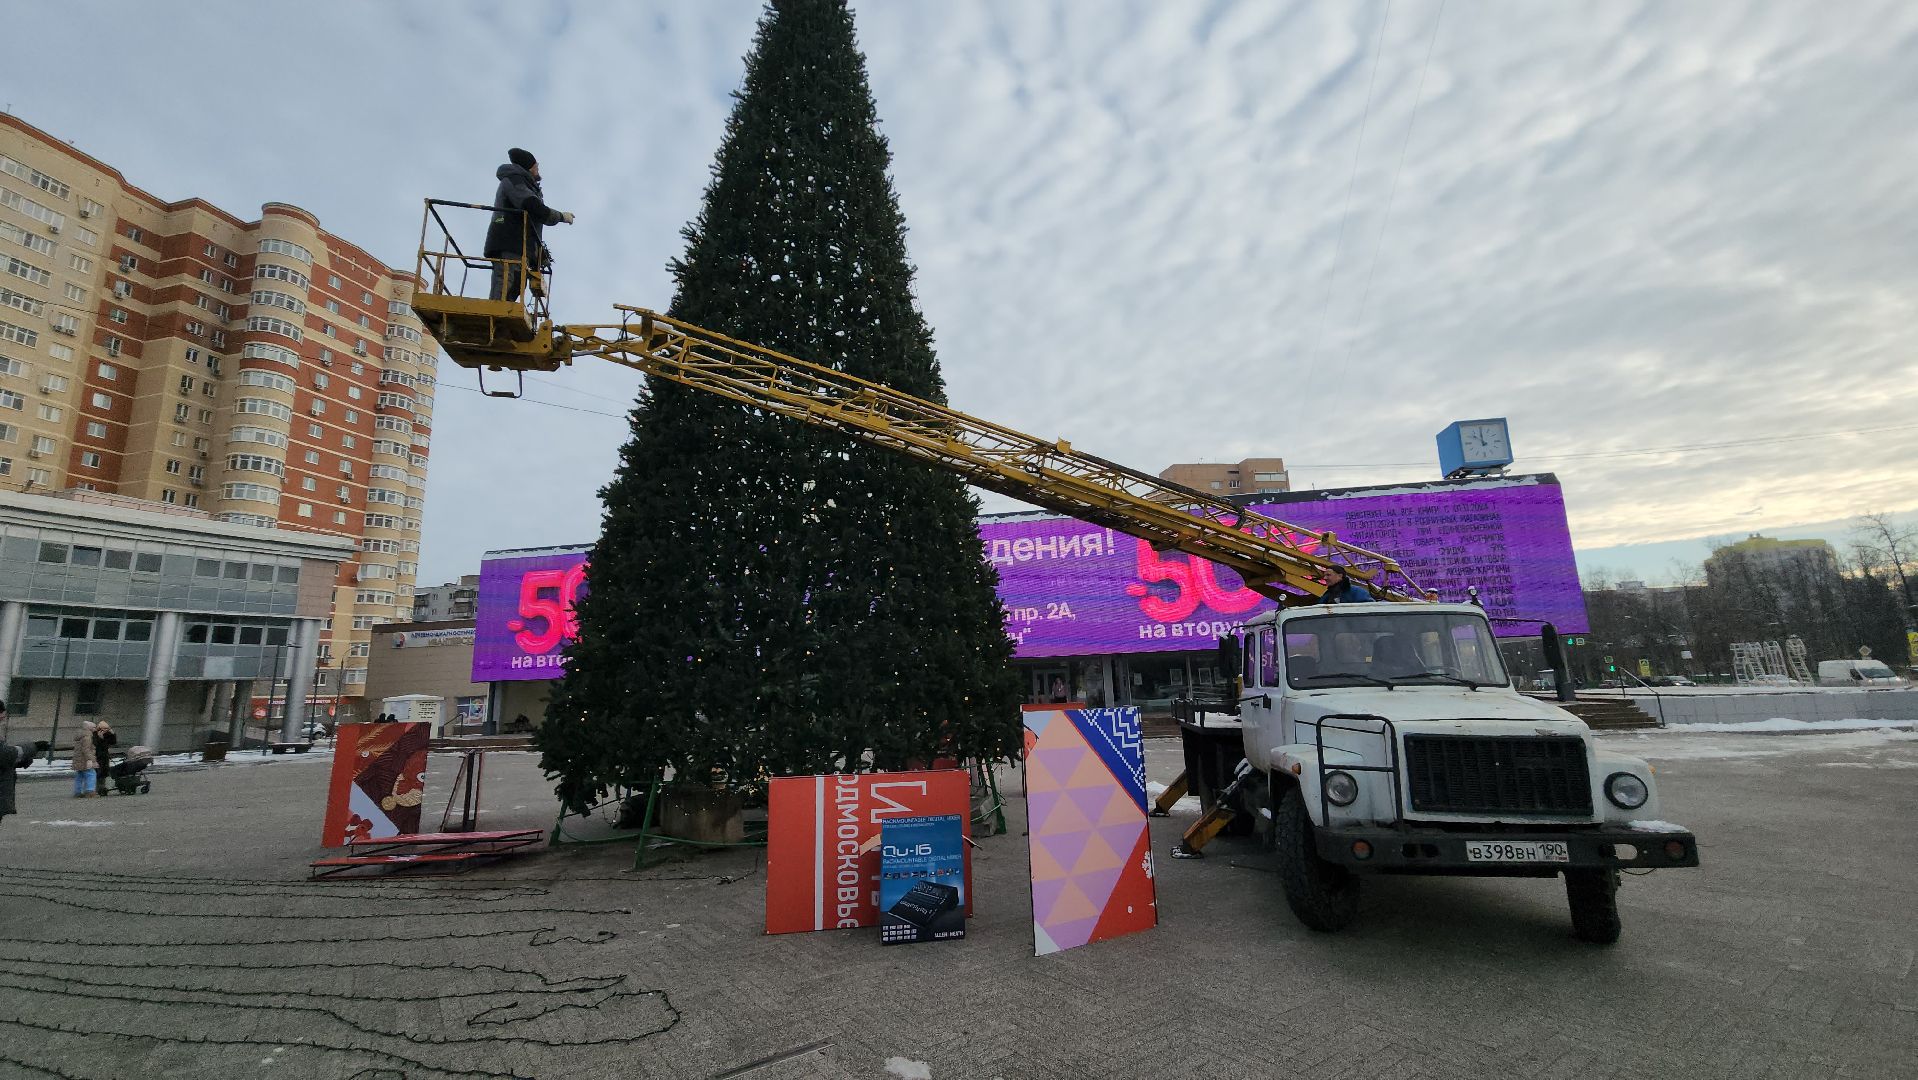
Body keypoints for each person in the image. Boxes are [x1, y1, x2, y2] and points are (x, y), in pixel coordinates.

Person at [484, 148, 574, 303]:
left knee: (515, 289)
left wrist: (539, 254)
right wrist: (560, 216)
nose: (538, 168)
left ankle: (502, 323)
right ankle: (494, 317)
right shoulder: (514, 180)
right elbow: (532, 206)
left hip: (520, 248)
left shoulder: (526, 184)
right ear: (528, 167)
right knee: (504, 287)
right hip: (508, 244)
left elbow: (531, 224)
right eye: (536, 166)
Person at [71, 720, 98, 799]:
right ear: (89, 728)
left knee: (79, 775)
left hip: (78, 759)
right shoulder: (87, 737)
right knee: (91, 774)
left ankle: (77, 792)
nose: (95, 729)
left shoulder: (80, 735)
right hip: (84, 759)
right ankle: (90, 791)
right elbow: (86, 750)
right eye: (93, 727)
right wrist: (91, 760)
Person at [92, 720, 117, 796]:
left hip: (105, 755)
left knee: (104, 771)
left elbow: (113, 742)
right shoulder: (95, 734)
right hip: (98, 755)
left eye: (107, 729)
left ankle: (102, 787)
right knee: (98, 772)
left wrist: (113, 734)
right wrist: (101, 738)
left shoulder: (107, 734)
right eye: (104, 729)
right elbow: (97, 745)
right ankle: (98, 788)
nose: (105, 731)